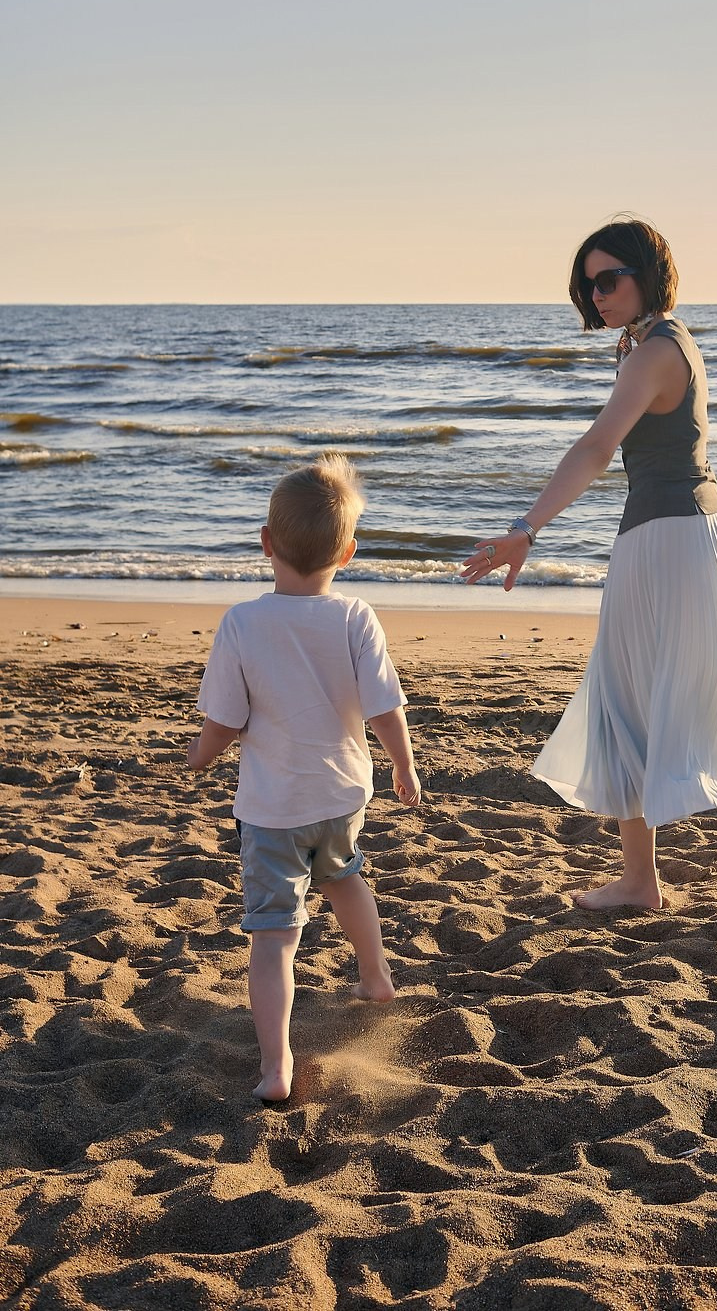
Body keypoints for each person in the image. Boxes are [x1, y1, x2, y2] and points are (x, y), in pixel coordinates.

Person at [462, 219, 717, 912]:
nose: (596, 294)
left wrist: (524, 528)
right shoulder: (644, 343)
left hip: (674, 539)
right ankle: (664, 871)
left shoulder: (652, 353)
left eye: (608, 279)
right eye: (587, 283)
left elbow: (597, 447)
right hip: (669, 534)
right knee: (632, 700)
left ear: (646, 274)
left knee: (669, 704)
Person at [187, 453, 420, 1103]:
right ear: (348, 551)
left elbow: (225, 720)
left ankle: (276, 1067)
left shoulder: (243, 622)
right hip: (343, 796)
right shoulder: (355, 617)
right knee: (345, 878)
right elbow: (384, 706)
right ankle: (375, 977)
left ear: (266, 543)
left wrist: (199, 757)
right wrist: (402, 764)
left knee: (273, 936)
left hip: (273, 808)